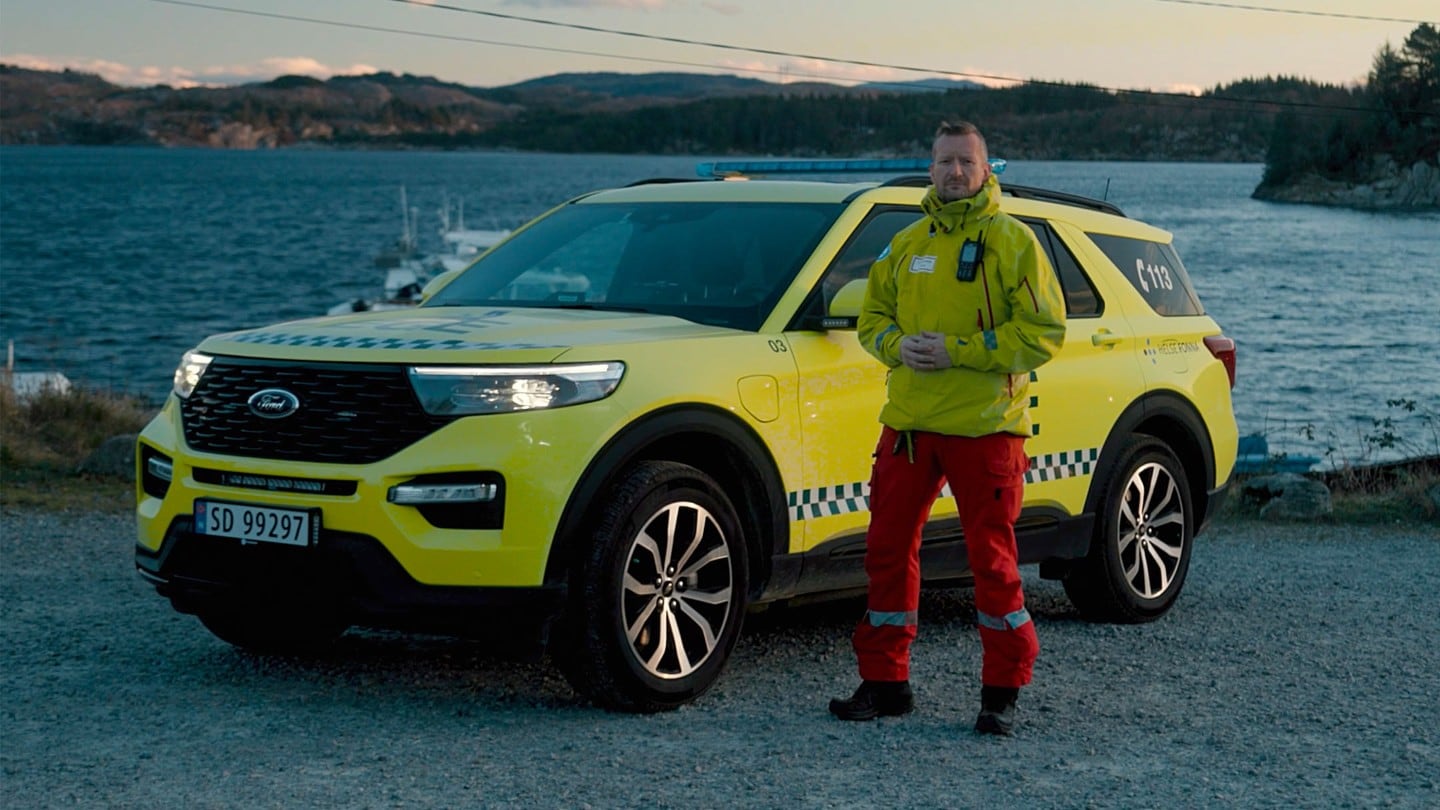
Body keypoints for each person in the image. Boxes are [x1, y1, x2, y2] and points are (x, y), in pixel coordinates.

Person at [829, 120, 1067, 735]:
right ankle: (886, 684)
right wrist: (897, 346)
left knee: (992, 561)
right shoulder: (905, 243)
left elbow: (1044, 333)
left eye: (966, 161)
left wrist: (960, 350)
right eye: (944, 161)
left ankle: (1001, 693)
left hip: (985, 427)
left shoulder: (1015, 242)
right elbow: (871, 318)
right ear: (929, 169)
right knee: (886, 550)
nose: (954, 172)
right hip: (909, 425)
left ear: (988, 170)